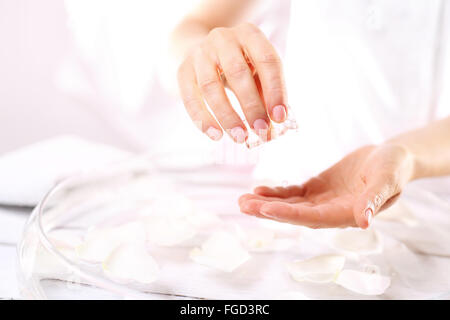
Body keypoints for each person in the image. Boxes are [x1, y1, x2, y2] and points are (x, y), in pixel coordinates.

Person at [171, 0, 450, 229]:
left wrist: (408, 156)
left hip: (426, 211)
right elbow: (190, 29)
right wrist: (202, 56)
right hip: (282, 196)